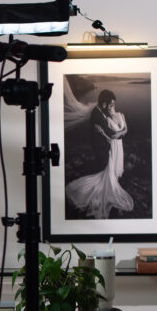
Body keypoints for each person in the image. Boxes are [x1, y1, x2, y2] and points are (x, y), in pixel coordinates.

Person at [66, 89, 134, 219]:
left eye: (112, 104)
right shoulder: (97, 113)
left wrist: (121, 133)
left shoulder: (103, 112)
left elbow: (117, 131)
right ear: (104, 102)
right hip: (102, 146)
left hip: (108, 144)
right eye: (109, 103)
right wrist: (119, 134)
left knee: (108, 167)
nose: (110, 106)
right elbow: (110, 133)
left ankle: (111, 176)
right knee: (105, 168)